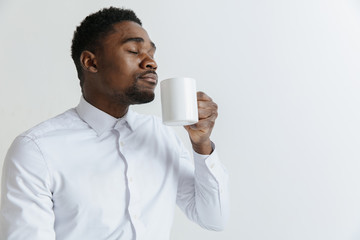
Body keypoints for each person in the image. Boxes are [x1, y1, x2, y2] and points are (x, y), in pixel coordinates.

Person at [0, 7, 229, 240]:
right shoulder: (37, 150)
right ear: (91, 62)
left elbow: (212, 218)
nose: (151, 62)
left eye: (152, 53)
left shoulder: (161, 135)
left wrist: (201, 145)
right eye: (134, 50)